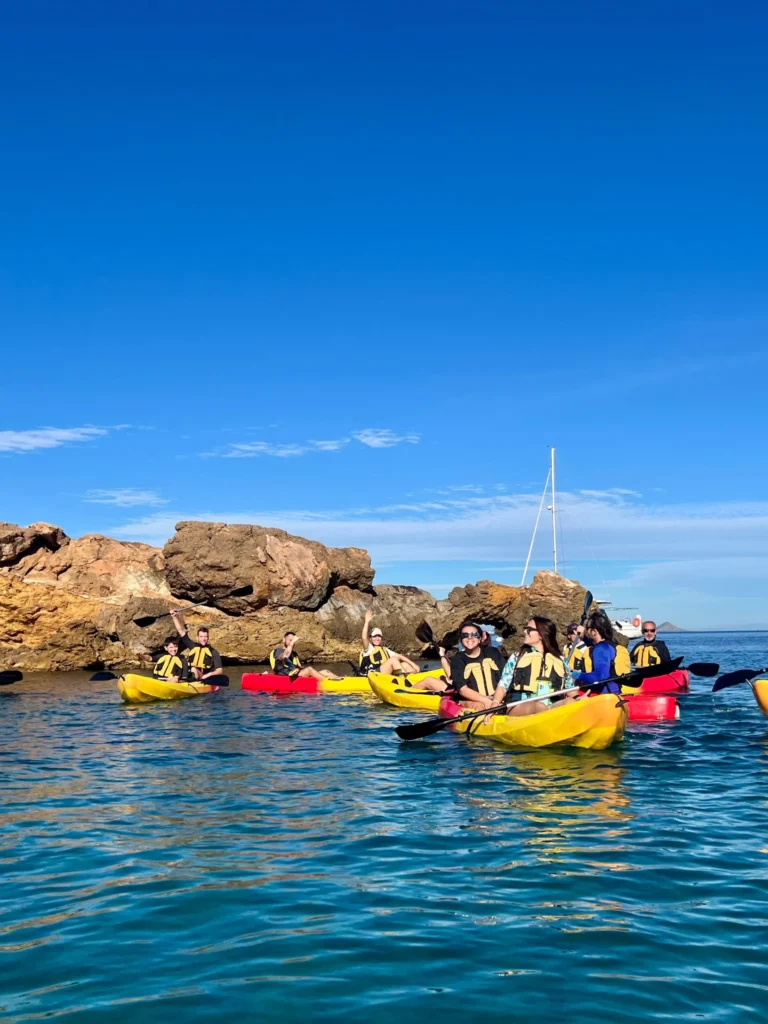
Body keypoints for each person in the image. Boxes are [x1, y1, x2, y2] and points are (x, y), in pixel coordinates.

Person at [492, 617, 572, 717]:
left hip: (549, 706)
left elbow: (570, 689)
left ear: (541, 635)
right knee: (539, 707)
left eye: (529, 629)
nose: (525, 631)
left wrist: (579, 698)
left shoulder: (561, 660)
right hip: (519, 705)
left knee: (569, 702)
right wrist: (495, 703)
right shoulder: (517, 657)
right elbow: (503, 685)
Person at [432, 620, 507, 709]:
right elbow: (463, 689)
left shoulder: (493, 652)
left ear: (480, 638)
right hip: (472, 701)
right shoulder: (457, 660)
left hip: (497, 698)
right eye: (465, 635)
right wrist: (486, 701)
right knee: (480, 706)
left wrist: (497, 699)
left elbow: (505, 678)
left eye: (474, 635)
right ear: (461, 640)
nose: (470, 638)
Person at [570, 612, 629, 695]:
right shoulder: (609, 645)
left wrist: (574, 674)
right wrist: (582, 635)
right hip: (614, 693)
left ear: (594, 631)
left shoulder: (601, 649)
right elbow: (591, 644)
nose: (586, 630)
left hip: (604, 696)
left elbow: (600, 676)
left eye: (587, 628)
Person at [358, 610, 421, 676]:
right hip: (373, 675)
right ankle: (404, 679)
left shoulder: (384, 650)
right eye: (374, 636)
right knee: (393, 660)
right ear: (370, 638)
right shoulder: (368, 648)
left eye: (379, 636)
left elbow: (400, 656)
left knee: (405, 664)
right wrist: (366, 622)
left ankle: (414, 678)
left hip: (383, 674)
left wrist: (414, 665)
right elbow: (364, 638)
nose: (377, 638)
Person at [170, 609, 225, 681]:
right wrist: (174, 617)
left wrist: (209, 674)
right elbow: (181, 631)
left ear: (208, 638)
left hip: (202, 677)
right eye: (201, 637)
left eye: (205, 637)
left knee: (193, 669)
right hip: (189, 674)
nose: (203, 639)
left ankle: (187, 681)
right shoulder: (193, 646)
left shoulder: (213, 652)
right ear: (197, 638)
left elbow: (219, 670)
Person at [269, 632, 342, 681]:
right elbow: (285, 655)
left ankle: (340, 680)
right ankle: (328, 683)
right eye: (290, 640)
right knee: (309, 669)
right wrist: (292, 643)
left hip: (296, 675)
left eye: (293, 640)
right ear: (284, 640)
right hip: (285, 676)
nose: (291, 642)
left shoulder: (294, 654)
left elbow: (297, 667)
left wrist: (300, 668)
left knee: (326, 671)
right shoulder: (279, 651)